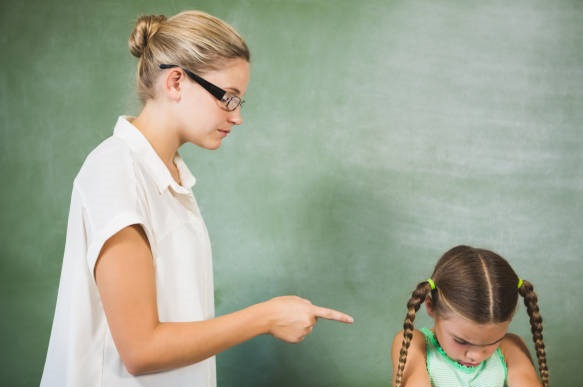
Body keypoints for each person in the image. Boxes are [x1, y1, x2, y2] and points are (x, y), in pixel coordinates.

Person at [40, 10, 353, 387]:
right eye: (229, 98)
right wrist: (265, 317)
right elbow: (140, 350)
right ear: (176, 82)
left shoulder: (168, 175)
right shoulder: (117, 172)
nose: (236, 118)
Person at [391, 245, 549, 387]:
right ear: (431, 306)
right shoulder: (415, 343)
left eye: (492, 342)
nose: (475, 356)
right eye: (461, 341)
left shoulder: (510, 348)